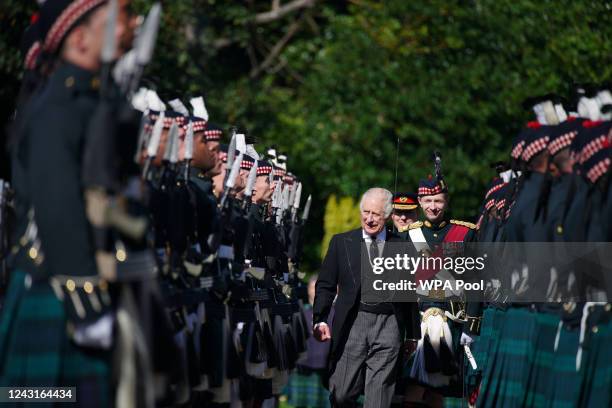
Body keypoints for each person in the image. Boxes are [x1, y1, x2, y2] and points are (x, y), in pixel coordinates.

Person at [0, 1, 131, 405]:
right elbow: (58, 204)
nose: (133, 24)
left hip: (85, 288)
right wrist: (87, 303)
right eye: (122, 15)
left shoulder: (93, 105)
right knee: (41, 397)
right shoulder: (59, 108)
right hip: (60, 286)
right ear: (80, 37)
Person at [313, 187, 420, 408]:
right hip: (354, 321)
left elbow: (409, 292)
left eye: (376, 215)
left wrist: (412, 333)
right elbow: (325, 285)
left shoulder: (402, 246)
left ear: (388, 216)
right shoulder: (341, 243)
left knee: (379, 400)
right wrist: (320, 318)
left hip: (390, 324)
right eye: (366, 212)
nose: (369, 219)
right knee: (341, 394)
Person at [403, 176, 478, 407]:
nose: (432, 206)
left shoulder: (465, 233)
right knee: (413, 387)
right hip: (416, 320)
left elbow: (476, 283)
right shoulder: (409, 234)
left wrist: (471, 326)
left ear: (446, 202)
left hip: (452, 318)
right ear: (419, 201)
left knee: (438, 390)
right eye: (427, 200)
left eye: (438, 200)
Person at [284, 275, 334, 408]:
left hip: (325, 370)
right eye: (313, 287)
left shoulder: (333, 312)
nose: (316, 291)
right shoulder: (300, 312)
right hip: (302, 367)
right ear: (308, 290)